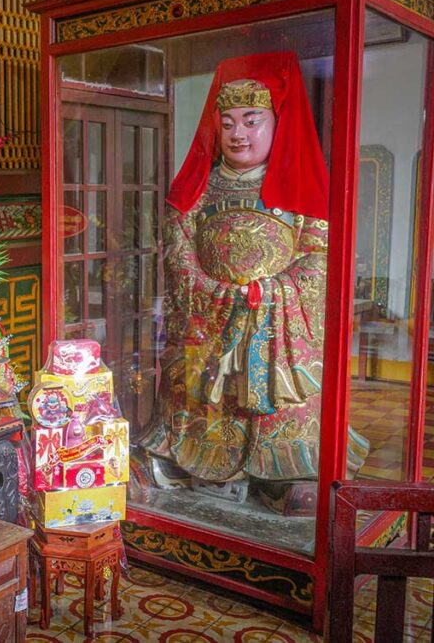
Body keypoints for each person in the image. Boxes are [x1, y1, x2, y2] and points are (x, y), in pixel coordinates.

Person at [139, 52, 368, 512]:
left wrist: (272, 292)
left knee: (283, 407)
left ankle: (287, 468)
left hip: (274, 327)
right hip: (210, 321)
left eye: (251, 120)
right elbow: (178, 249)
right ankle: (185, 459)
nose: (237, 133)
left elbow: (321, 257)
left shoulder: (302, 191)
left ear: (276, 123)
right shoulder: (200, 188)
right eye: (227, 123)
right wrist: (212, 293)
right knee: (198, 391)